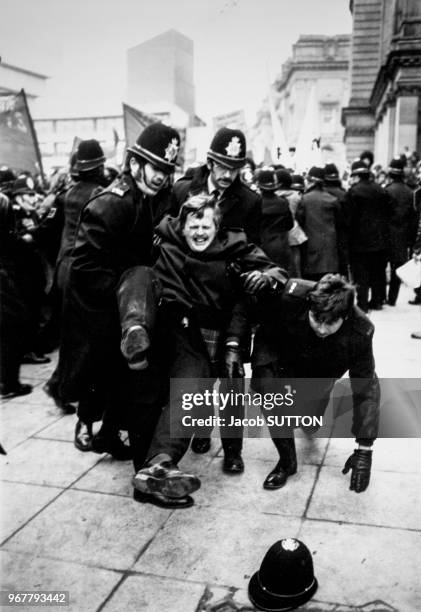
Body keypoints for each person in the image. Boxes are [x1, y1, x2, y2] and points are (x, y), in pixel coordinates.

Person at [126, 195, 287, 508]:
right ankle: (161, 462)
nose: (199, 232)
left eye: (206, 226)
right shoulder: (165, 243)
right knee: (189, 390)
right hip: (182, 331)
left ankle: (229, 452)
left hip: (224, 329)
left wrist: (265, 277)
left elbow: (277, 272)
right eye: (192, 225)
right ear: (182, 227)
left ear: (217, 228)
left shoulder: (235, 248)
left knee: (229, 387)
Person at [57, 123, 181, 459]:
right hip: (100, 310)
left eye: (167, 170)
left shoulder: (142, 199)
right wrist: (127, 294)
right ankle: (93, 428)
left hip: (123, 309)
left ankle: (108, 437)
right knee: (107, 377)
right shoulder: (113, 203)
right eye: (157, 168)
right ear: (135, 162)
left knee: (121, 380)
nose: (161, 177)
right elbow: (84, 269)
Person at [169, 127, 262, 469]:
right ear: (209, 161)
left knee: (232, 377)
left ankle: (233, 451)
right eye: (222, 165)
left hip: (231, 301)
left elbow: (253, 255)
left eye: (235, 167)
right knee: (197, 375)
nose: (227, 174)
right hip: (191, 300)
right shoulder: (181, 190)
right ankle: (199, 428)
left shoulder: (250, 201)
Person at [251, 274, 380, 493]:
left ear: (345, 317)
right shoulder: (292, 297)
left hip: (323, 371)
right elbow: (264, 317)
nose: (321, 328)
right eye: (316, 319)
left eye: (330, 323)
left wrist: (364, 448)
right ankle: (287, 462)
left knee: (309, 421)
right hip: (284, 356)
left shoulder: (361, 331)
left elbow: (366, 388)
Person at [44, 139, 107, 419]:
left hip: (63, 269)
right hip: (82, 272)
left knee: (72, 333)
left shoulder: (69, 194)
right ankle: (60, 386)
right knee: (84, 336)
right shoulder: (100, 195)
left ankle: (61, 385)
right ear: (100, 166)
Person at [344, 160, 392, 312]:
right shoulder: (381, 190)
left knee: (361, 274)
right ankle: (377, 301)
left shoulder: (353, 192)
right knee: (377, 272)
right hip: (380, 239)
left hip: (360, 241)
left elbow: (349, 218)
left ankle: (363, 304)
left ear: (357, 176)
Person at [296, 167, 347, 281]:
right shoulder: (333, 200)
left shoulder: (305, 200)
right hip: (331, 256)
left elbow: (299, 222)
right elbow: (341, 227)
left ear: (310, 181)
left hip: (310, 253)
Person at [385, 158, 418, 306]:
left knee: (381, 267)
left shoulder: (386, 190)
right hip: (403, 236)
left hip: (386, 235)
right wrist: (411, 240)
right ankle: (392, 298)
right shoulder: (410, 192)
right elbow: (413, 219)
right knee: (397, 269)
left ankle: (380, 297)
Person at [256, 167, 293, 271]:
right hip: (281, 246)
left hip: (261, 247)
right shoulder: (283, 202)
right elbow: (290, 225)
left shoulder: (255, 203)